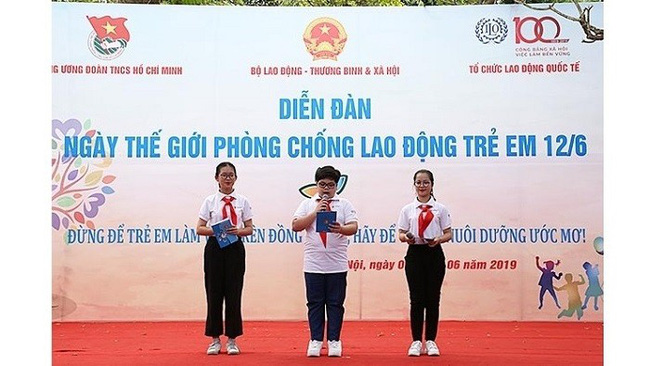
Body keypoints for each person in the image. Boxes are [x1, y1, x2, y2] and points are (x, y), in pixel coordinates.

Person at [292, 165, 359, 357]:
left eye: (330, 185)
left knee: (335, 303)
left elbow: (353, 227)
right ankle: (315, 340)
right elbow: (296, 225)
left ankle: (334, 340)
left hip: (336, 264)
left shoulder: (344, 204)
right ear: (316, 185)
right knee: (314, 303)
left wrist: (341, 229)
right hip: (313, 263)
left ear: (336, 186)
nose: (326, 189)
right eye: (322, 185)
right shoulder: (307, 204)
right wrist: (315, 212)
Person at [196, 162, 254, 355]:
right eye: (224, 175)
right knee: (214, 293)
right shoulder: (210, 201)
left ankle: (232, 339)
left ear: (236, 178)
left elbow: (250, 228)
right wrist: (215, 231)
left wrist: (238, 231)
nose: (227, 178)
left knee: (233, 293)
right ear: (216, 178)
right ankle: (214, 339)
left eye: (231, 175)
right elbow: (199, 228)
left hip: (234, 248)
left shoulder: (243, 201)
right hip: (214, 249)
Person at [397, 169, 452, 357]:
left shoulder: (440, 209)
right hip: (415, 254)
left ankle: (430, 341)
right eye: (418, 182)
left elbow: (448, 233)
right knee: (416, 299)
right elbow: (400, 233)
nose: (422, 186)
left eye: (425, 182)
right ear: (414, 185)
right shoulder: (407, 209)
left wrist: (438, 239)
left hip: (434, 254)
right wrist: (407, 238)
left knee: (433, 299)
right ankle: (416, 341)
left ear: (432, 184)